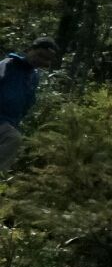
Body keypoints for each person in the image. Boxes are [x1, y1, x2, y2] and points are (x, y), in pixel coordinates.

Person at [0, 36, 60, 171]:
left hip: (9, 122)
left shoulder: (34, 76)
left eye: (46, 59)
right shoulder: (9, 64)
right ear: (31, 49)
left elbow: (27, 103)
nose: (41, 60)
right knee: (13, 138)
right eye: (39, 55)